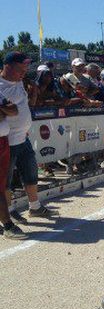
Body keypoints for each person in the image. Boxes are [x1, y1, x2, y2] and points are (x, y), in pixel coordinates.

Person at [0, 52, 54, 223]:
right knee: (6, 180)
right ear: (8, 66)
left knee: (31, 173)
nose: (24, 72)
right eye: (20, 69)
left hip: (23, 137)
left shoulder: (20, 82)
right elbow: (9, 110)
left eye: (25, 69)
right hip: (8, 139)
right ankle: (9, 211)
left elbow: (25, 106)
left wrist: (34, 92)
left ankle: (35, 207)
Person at [0, 89, 26, 239]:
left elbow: (14, 110)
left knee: (2, 184)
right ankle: (8, 225)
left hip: (3, 140)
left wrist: (3, 110)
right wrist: (4, 111)